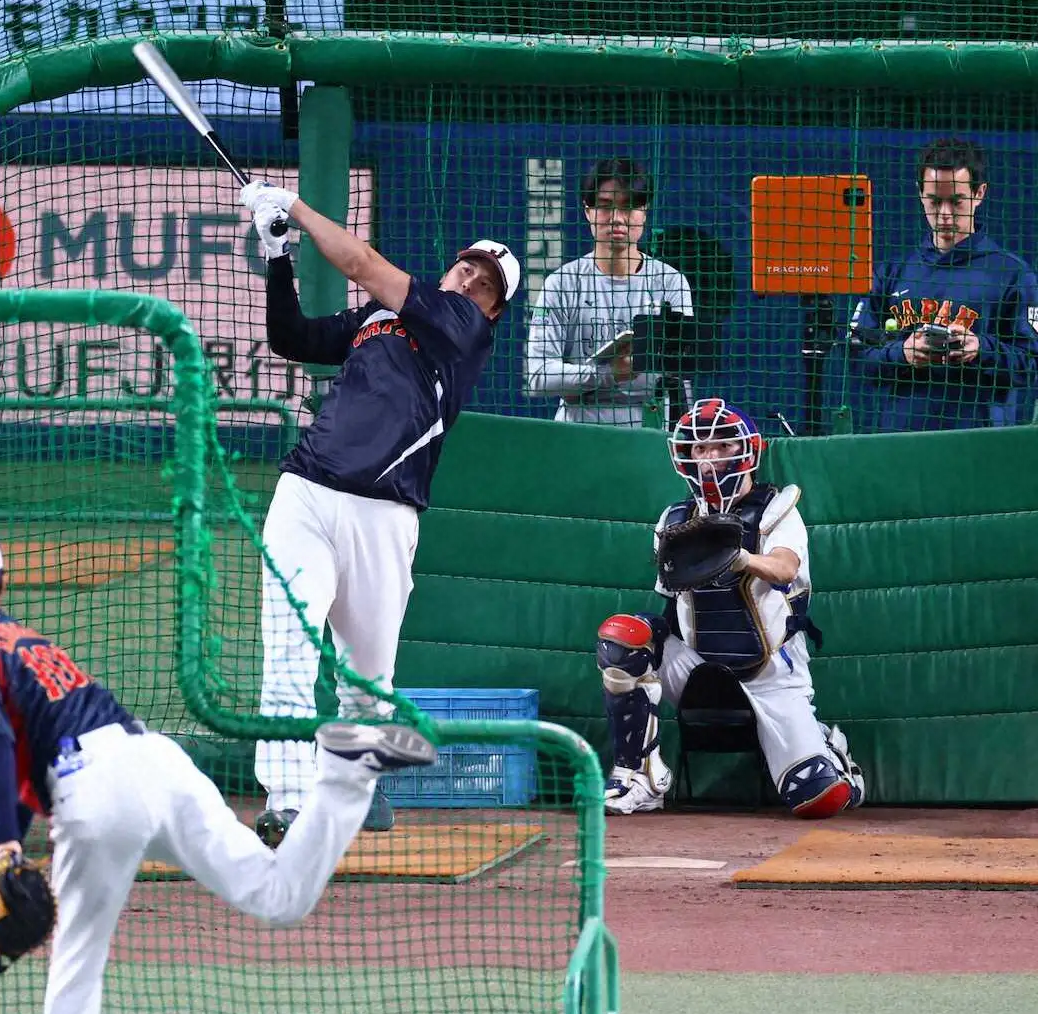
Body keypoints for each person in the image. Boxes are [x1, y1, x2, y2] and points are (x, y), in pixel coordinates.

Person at [0, 521, 437, 1014]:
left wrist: (3, 851)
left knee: (77, 965)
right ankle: (344, 774)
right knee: (279, 895)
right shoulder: (24, 639)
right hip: (153, 761)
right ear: (2, 582)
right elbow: (18, 768)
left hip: (94, 788)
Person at [236, 178, 519, 843]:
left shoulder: (461, 329)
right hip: (305, 493)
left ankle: (357, 784)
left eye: (484, 282)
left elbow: (361, 263)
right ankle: (286, 802)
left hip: (385, 516)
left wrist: (297, 208)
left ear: (493, 310)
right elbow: (292, 338)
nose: (469, 277)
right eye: (467, 265)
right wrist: (277, 256)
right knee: (287, 653)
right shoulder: (376, 318)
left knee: (368, 677)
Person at [596, 397, 865, 818]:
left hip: (771, 670)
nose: (709, 458)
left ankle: (833, 755)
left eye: (720, 446)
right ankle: (639, 776)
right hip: (700, 665)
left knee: (818, 799)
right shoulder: (675, 519)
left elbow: (783, 568)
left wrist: (738, 558)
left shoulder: (777, 509)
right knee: (623, 637)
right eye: (700, 449)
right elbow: (668, 604)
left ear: (745, 450)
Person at [849, 137, 1038, 430]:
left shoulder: (1014, 274)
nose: (945, 214)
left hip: (979, 448)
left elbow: (1032, 364)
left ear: (980, 193)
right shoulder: (891, 273)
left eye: (957, 201)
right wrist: (903, 353)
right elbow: (857, 356)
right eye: (935, 201)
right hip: (898, 444)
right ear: (920, 194)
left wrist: (980, 349)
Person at [526, 158, 694, 427]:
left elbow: (677, 375)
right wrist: (611, 373)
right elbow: (539, 376)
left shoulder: (671, 282)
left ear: (644, 211)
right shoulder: (561, 283)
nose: (616, 218)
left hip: (649, 437)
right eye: (604, 206)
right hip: (577, 436)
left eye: (629, 206)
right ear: (587, 211)